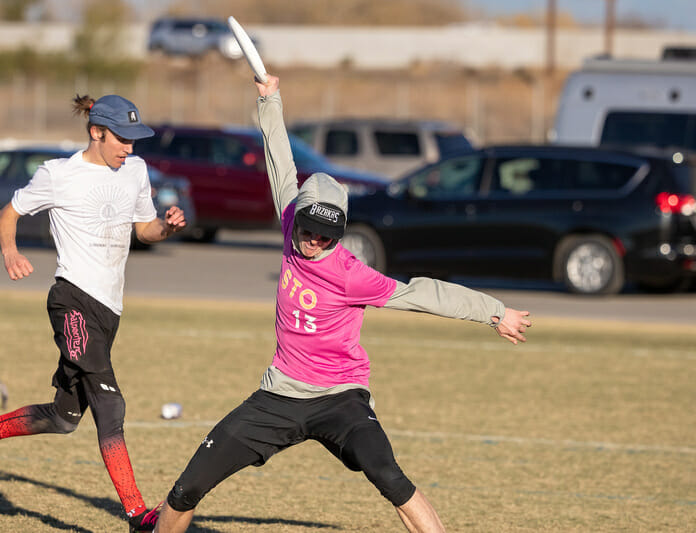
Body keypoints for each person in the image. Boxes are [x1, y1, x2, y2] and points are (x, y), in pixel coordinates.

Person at [150, 74, 532, 533]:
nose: (314, 241)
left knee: (391, 478)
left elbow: (423, 293)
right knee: (187, 488)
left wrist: (495, 312)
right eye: (309, 230)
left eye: (326, 236)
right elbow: (280, 161)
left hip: (341, 399)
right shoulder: (292, 217)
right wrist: (270, 100)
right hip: (280, 396)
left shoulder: (352, 274)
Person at [0, 94, 186, 532]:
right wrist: (10, 251)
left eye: (135, 140)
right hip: (71, 301)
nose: (130, 148)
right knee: (110, 405)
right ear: (96, 132)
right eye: (122, 138)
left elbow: (143, 230)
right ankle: (138, 515)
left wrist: (166, 228)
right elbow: (9, 213)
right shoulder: (58, 174)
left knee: (63, 417)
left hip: (109, 310)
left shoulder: (135, 170)